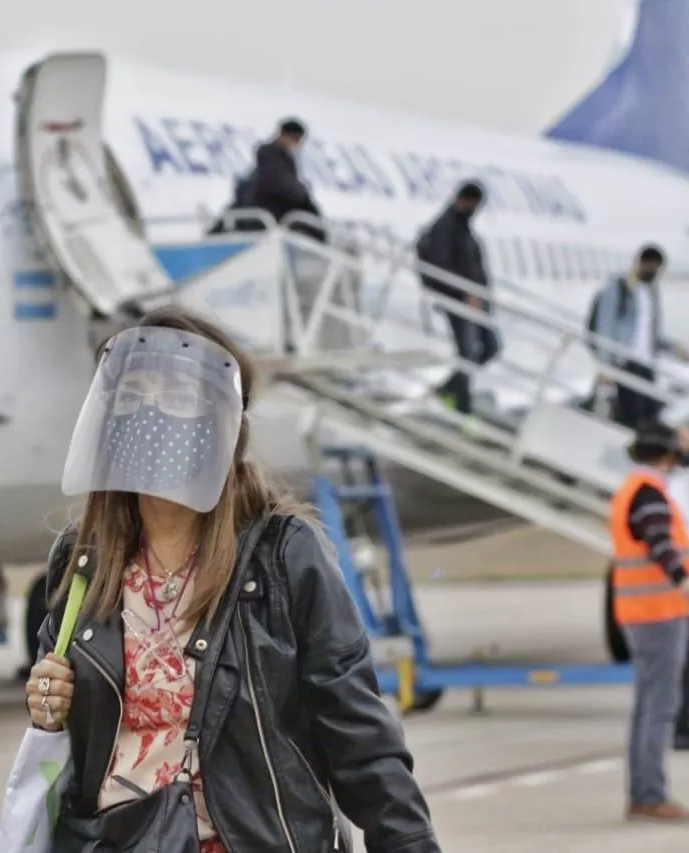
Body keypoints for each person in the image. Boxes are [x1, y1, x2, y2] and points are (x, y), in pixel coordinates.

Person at [26, 306, 440, 853]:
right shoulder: (82, 562)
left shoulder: (286, 553)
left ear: (218, 423)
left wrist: (409, 842)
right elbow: (77, 761)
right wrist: (50, 710)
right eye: (133, 396)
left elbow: (359, 735)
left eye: (175, 398)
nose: (151, 414)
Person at [609, 422, 689, 821]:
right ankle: (650, 794)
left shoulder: (632, 490)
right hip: (658, 613)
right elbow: (660, 542)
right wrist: (682, 579)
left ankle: (643, 792)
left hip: (641, 614)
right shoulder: (650, 495)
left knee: (647, 706)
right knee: (660, 706)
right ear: (668, 457)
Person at [416, 181, 499, 416]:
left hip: (475, 302)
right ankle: (461, 407)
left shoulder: (463, 228)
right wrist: (464, 294)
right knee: (468, 354)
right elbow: (440, 267)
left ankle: (449, 390)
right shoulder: (445, 227)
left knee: (489, 348)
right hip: (459, 301)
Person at [586, 245, 687, 429]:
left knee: (648, 417)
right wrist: (605, 365)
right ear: (638, 262)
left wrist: (675, 349)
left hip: (646, 365)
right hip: (624, 363)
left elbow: (650, 334)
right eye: (649, 265)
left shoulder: (650, 294)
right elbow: (604, 328)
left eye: (656, 268)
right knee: (628, 418)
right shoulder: (618, 288)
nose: (652, 271)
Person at [248, 118, 324, 241]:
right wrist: (302, 193)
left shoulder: (285, 158)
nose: (298, 144)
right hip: (271, 210)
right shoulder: (269, 155)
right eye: (296, 139)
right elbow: (282, 185)